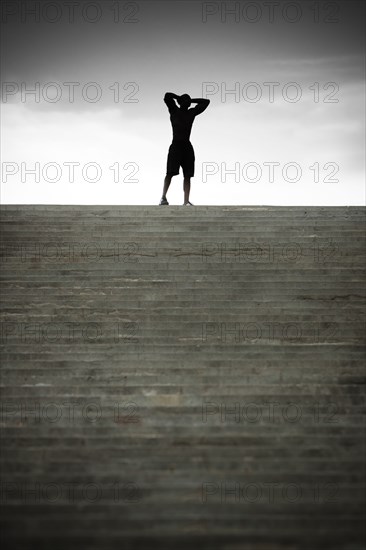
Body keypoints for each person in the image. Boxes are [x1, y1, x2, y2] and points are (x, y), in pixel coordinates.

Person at [159, 92, 210, 206]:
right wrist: (179, 98)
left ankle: (186, 201)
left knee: (188, 175)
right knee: (170, 173)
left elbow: (206, 102)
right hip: (176, 145)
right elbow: (167, 95)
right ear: (180, 102)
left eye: (188, 100)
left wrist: (189, 100)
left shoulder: (191, 112)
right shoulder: (174, 110)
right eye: (185, 100)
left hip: (187, 146)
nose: (187, 101)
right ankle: (163, 197)